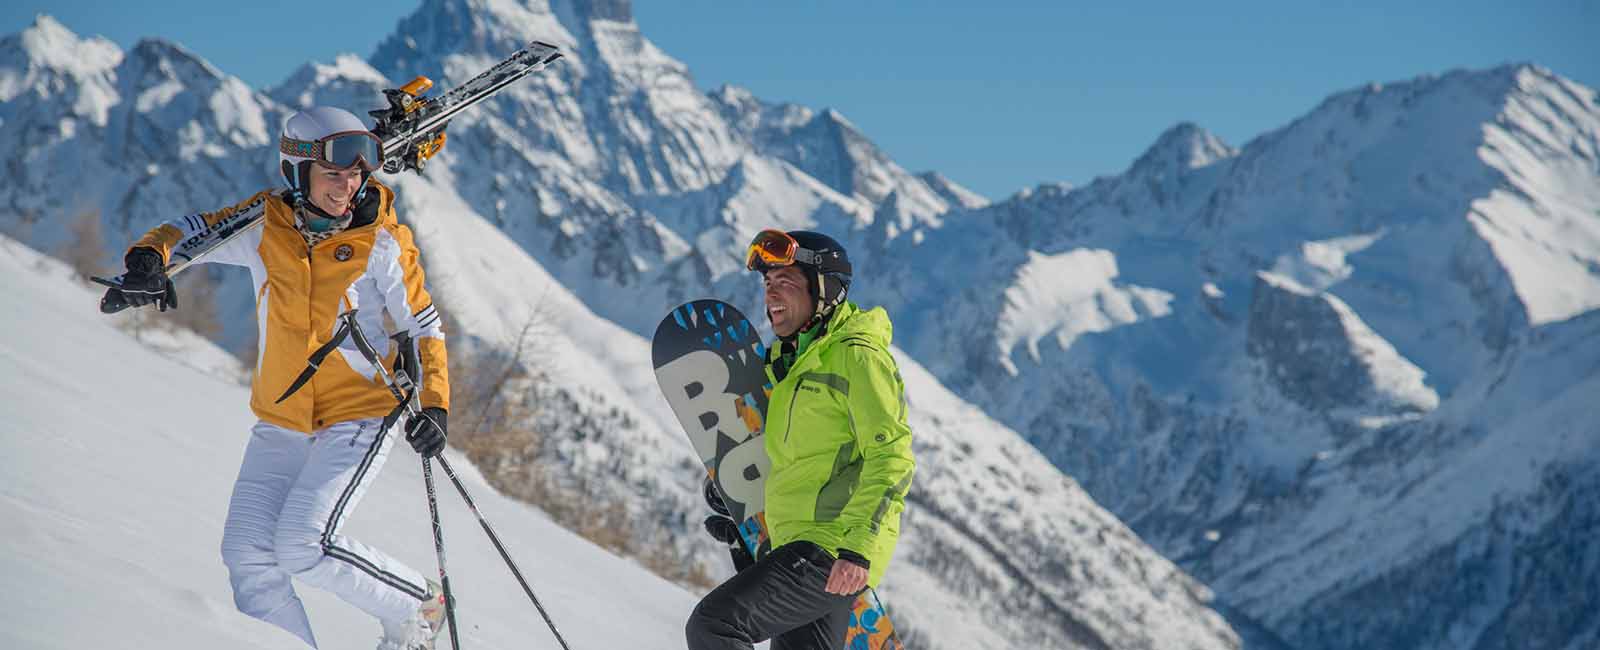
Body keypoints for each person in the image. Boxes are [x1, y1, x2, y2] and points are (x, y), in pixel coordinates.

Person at [108, 106, 452, 650]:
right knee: (247, 554)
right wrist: (149, 258)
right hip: (283, 416)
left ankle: (419, 605)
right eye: (333, 174)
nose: (348, 187)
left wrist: (434, 402)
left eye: (357, 174)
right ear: (297, 172)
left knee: (303, 545)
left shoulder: (382, 240)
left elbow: (423, 322)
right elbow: (197, 230)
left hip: (359, 410)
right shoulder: (265, 225)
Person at [687, 229, 917, 650]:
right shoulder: (789, 364)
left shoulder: (856, 355)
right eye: (767, 283)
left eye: (786, 282)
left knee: (715, 625)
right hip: (795, 543)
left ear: (824, 291)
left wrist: (858, 550)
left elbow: (892, 457)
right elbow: (799, 460)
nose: (771, 294)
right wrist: (743, 511)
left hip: (831, 547)